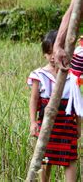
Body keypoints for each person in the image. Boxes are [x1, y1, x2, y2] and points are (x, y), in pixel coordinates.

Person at [28, 30, 81, 182]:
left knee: (70, 158)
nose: (52, 57)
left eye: (55, 52)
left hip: (67, 122)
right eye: (49, 53)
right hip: (47, 121)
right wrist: (33, 122)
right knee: (44, 156)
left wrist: (79, 125)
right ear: (44, 53)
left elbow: (76, 101)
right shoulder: (39, 75)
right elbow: (33, 100)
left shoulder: (71, 75)